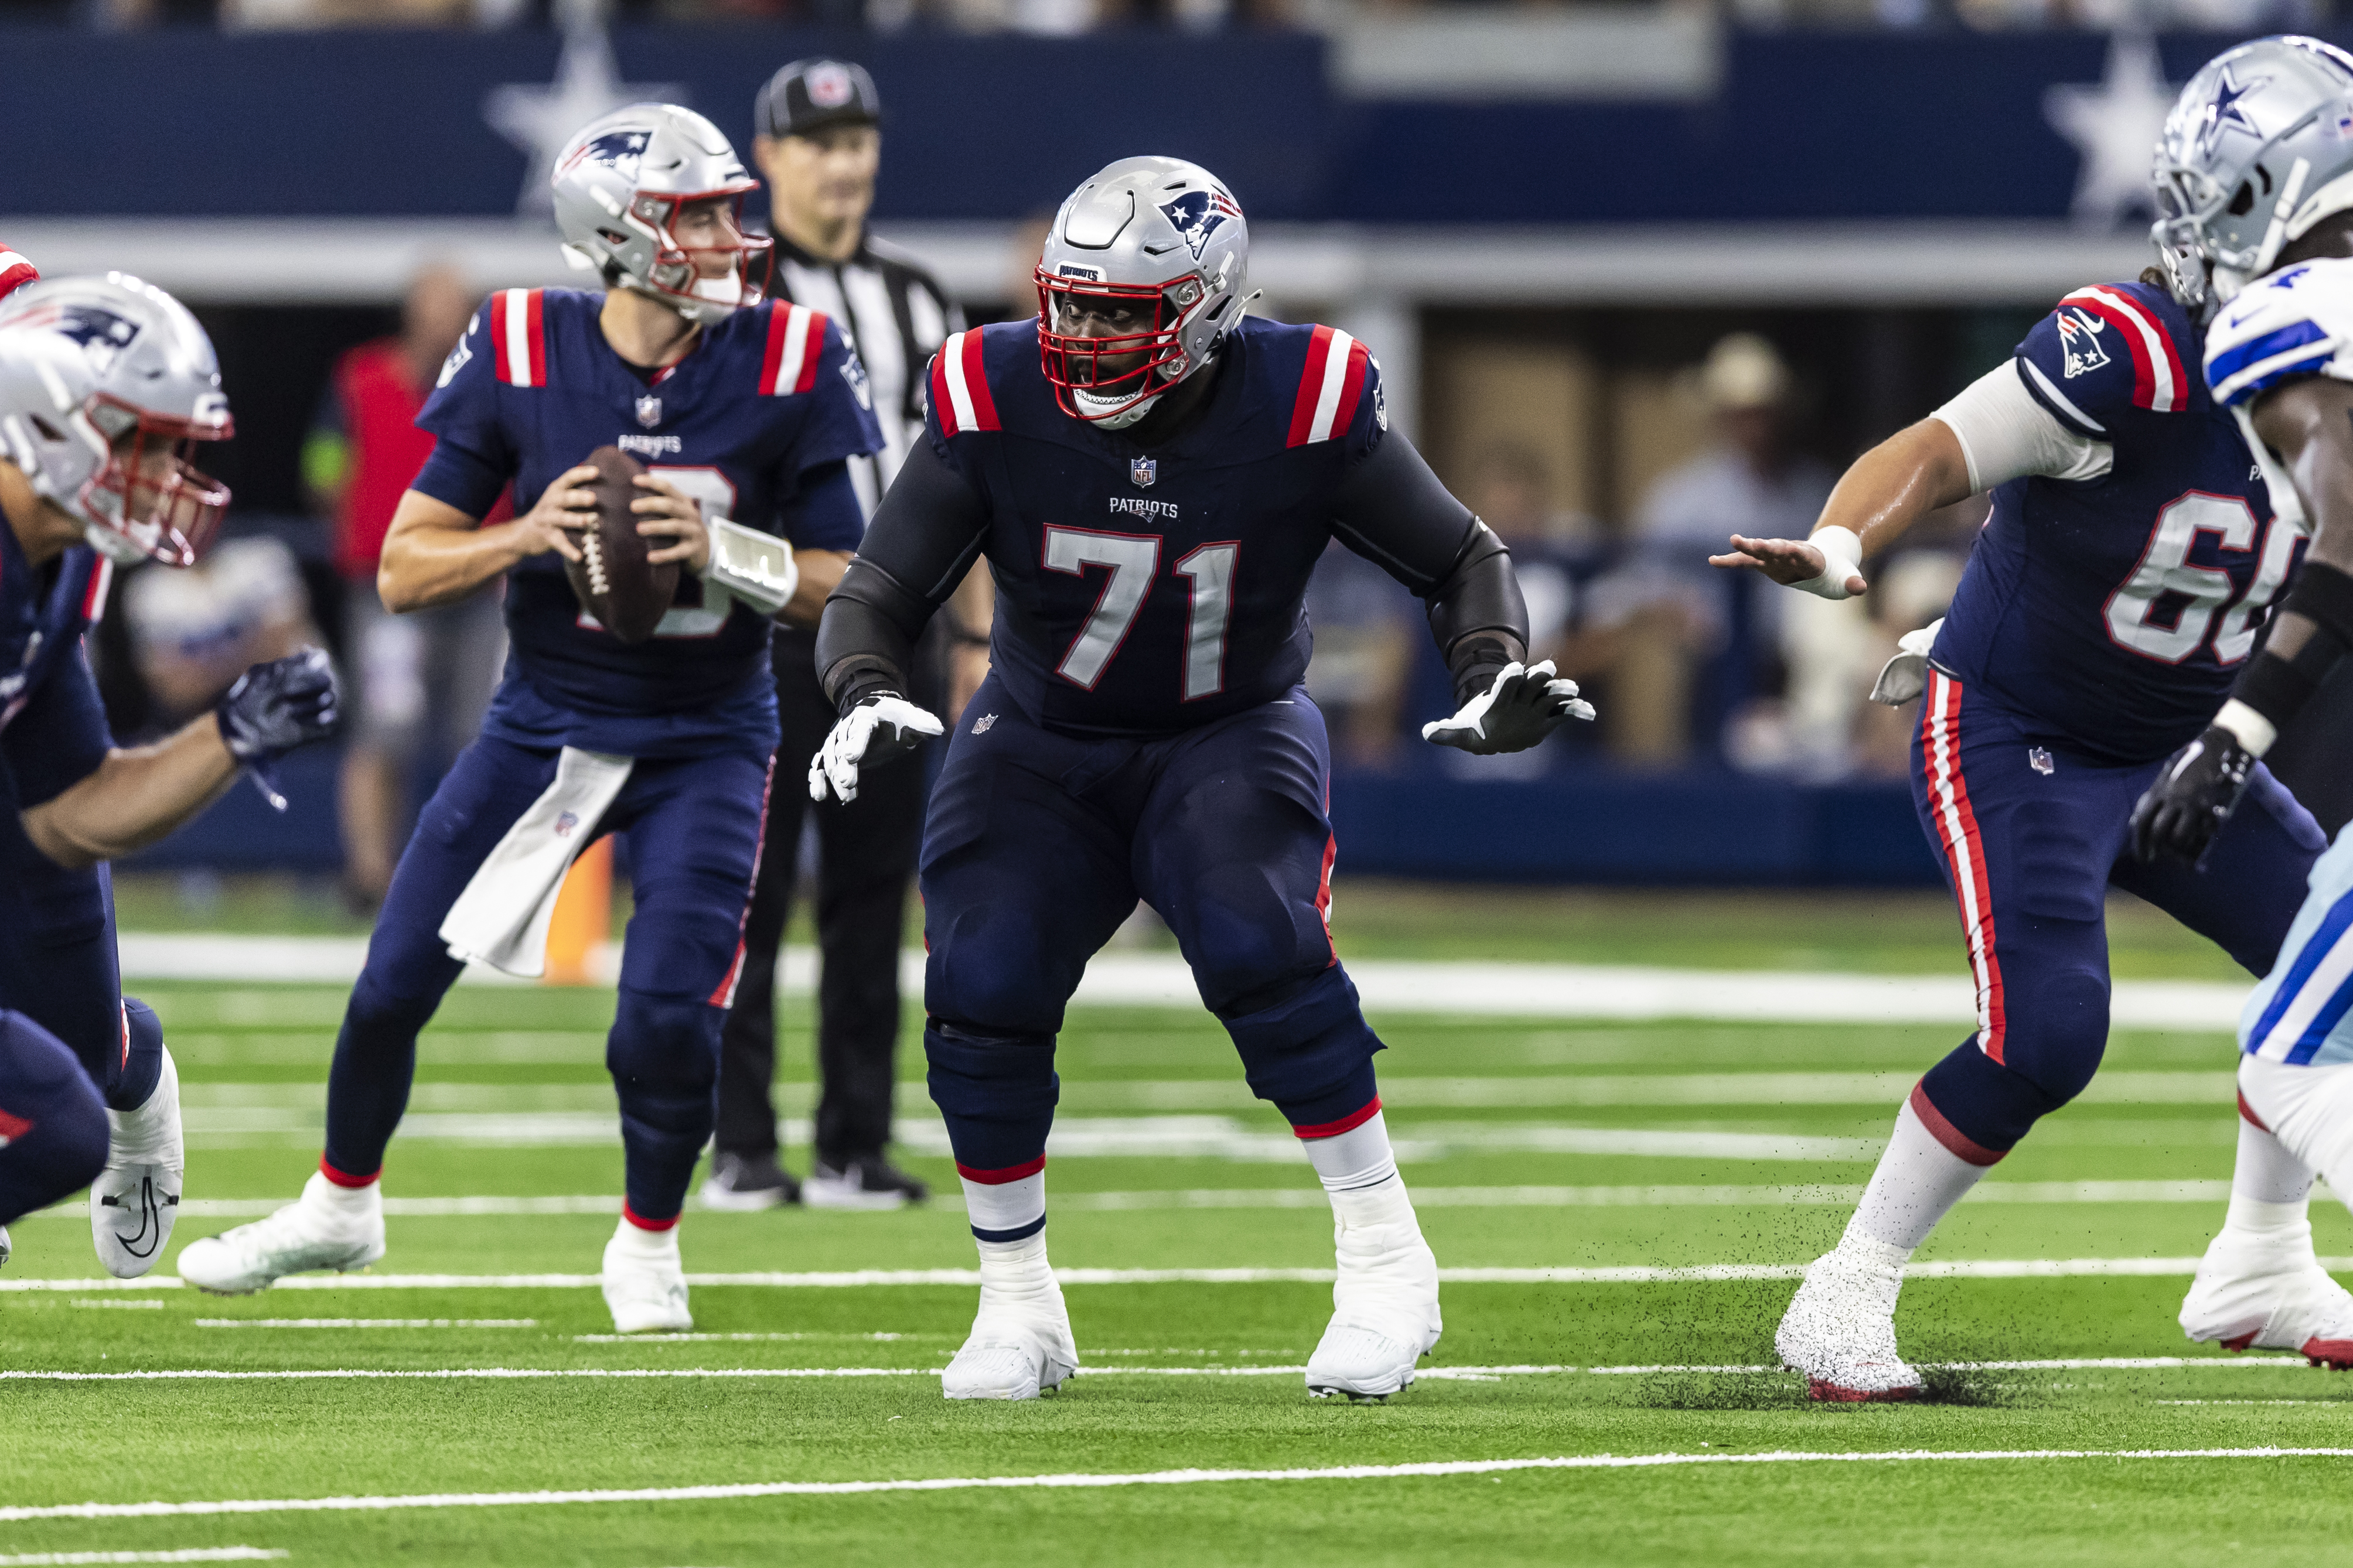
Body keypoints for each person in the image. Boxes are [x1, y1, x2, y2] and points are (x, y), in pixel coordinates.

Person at [807, 155, 1592, 1402]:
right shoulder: (993, 382)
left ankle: (1388, 1261)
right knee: (979, 971)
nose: (1085, 335)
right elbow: (877, 590)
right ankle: (1018, 1304)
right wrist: (865, 688)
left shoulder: (1306, 393)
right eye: (1072, 303)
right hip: (1041, 729)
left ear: (1210, 306)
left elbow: (1460, 555)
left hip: (1226, 724)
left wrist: (1487, 667)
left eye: (1123, 311)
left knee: (1252, 931)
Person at [1714, 35, 2353, 1402]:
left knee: (2332, 963)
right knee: (2048, 1028)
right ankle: (1844, 1288)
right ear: (2246, 217)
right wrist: (1840, 545)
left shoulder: (2331, 370)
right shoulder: (2124, 348)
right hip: (2022, 724)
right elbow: (1937, 451)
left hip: (2192, 745)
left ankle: (2259, 1257)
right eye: (2342, 223)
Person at [176, 104, 881, 1334]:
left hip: (710, 734)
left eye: (727, 210)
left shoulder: (791, 357)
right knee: (392, 981)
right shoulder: (517, 342)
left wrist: (730, 552)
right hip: (546, 722)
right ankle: (341, 1203)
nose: (729, 236)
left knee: (664, 1015)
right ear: (618, 237)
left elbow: (854, 582)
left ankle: (649, 1240)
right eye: (698, 215)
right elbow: (403, 567)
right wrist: (528, 530)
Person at [0, 265, 340, 1277]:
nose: (166, 477)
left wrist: (229, 733)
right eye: (142, 444)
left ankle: (129, 1055)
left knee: (71, 1087)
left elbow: (71, 810)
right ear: (54, 429)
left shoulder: (55, 555)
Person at [698, 58, 965, 1211]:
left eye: (857, 140)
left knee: (872, 893)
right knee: (747, 894)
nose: (842, 163)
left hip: (904, 626)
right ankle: (740, 1144)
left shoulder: (920, 296)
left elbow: (968, 474)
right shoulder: (728, 297)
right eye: (818, 143)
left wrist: (984, 629)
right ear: (769, 160)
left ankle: (856, 1139)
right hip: (761, 628)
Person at [2128, 39, 2353, 1365]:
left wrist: (2230, 734)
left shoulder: (2309, 309)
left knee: (2288, 1047)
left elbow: (2343, 545)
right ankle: (2254, 1257)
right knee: (2309, 977)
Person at [308, 265, 509, 908]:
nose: (444, 320)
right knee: (384, 729)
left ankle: (470, 876)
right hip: (388, 584)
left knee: (480, 734)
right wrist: (349, 517)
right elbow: (323, 462)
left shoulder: (495, 383)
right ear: (410, 312)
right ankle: (370, 874)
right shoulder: (362, 378)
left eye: (455, 307)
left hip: (480, 583)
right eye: (433, 306)